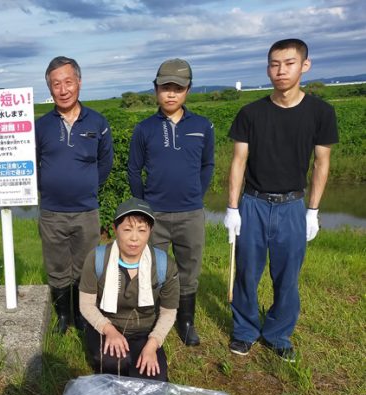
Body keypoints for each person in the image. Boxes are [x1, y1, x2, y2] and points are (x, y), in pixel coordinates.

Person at [224, 39, 338, 362]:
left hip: (292, 205)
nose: (280, 71)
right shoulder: (251, 113)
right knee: (246, 271)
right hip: (253, 203)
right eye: (274, 64)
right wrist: (232, 208)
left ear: (305, 65)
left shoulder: (321, 113)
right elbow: (238, 161)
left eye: (288, 63)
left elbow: (322, 164)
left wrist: (312, 211)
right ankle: (245, 330)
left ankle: (277, 333)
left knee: (287, 275)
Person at [127, 59, 214, 346]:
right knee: (153, 269)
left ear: (188, 89)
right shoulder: (144, 129)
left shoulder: (203, 125)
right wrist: (144, 206)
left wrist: (195, 195)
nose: (171, 93)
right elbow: (133, 169)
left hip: (190, 213)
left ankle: (186, 322)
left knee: (189, 269)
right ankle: (152, 321)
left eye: (178, 87)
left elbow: (207, 165)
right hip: (156, 215)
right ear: (156, 90)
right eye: (165, 87)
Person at [35, 56, 114, 333]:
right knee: (57, 267)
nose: (63, 89)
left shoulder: (98, 121)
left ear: (79, 82)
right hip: (52, 212)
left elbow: (105, 162)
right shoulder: (41, 125)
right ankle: (63, 316)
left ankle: (83, 315)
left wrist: (89, 185)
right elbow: (33, 164)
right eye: (56, 84)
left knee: (86, 267)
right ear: (50, 88)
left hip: (86, 210)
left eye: (68, 81)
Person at [79, 198, 179, 381]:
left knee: (154, 379)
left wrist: (152, 344)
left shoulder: (165, 264)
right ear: (115, 229)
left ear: (150, 232)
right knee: (115, 365)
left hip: (145, 331)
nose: (134, 238)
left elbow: (168, 312)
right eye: (127, 229)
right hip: (107, 326)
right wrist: (108, 329)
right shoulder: (97, 259)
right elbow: (86, 304)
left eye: (142, 230)